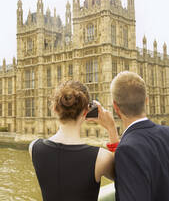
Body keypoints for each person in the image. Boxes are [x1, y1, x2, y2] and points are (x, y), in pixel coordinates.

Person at [29, 80, 119, 201]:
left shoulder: (34, 147)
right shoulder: (101, 158)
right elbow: (126, 179)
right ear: (87, 112)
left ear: (55, 108)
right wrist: (111, 128)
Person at [91, 71, 169, 201]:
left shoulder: (126, 150)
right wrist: (112, 130)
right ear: (146, 101)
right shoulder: (166, 132)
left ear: (115, 107)